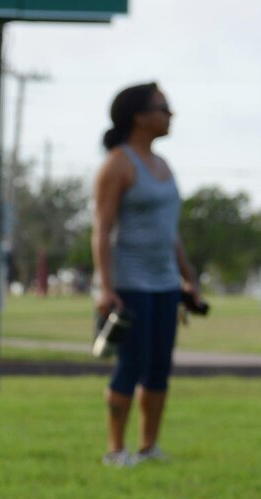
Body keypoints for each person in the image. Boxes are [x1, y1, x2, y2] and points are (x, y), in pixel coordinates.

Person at [92, 82, 198, 468]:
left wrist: (188, 279)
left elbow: (170, 232)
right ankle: (116, 450)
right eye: (163, 107)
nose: (170, 115)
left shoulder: (164, 166)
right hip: (129, 283)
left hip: (165, 283)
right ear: (139, 116)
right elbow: (101, 230)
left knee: (158, 366)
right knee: (130, 365)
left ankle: (148, 446)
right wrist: (106, 288)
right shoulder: (117, 164)